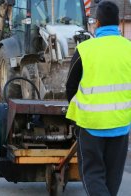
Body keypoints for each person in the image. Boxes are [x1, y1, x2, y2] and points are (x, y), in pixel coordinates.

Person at [65, 1, 131, 196]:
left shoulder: (85, 49)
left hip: (91, 126)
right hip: (120, 124)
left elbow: (70, 86)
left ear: (97, 23)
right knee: (113, 176)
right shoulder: (129, 48)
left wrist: (77, 112)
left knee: (93, 175)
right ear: (118, 22)